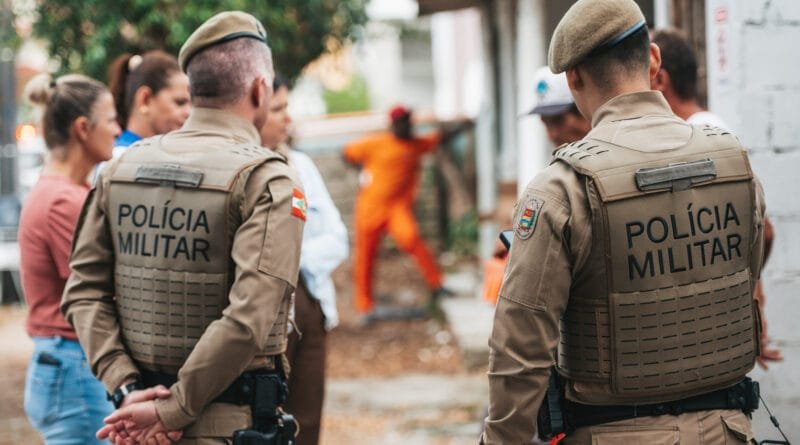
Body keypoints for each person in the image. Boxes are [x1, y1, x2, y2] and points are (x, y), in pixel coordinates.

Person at [482, 1, 766, 443]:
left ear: (573, 78)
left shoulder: (561, 189)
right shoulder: (733, 162)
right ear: (653, 59)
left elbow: (519, 354)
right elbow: (744, 274)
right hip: (728, 430)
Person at [61, 11, 305, 445]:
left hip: (135, 422)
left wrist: (128, 388)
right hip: (226, 427)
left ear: (194, 89)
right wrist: (173, 410)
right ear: (259, 89)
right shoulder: (266, 179)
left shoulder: (120, 170)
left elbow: (83, 292)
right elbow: (249, 319)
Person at [652, 27, 783, 368]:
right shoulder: (709, 129)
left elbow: (762, 230)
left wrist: (748, 291)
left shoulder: (698, 136)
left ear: (660, 79)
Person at [18, 73, 120, 444]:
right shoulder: (65, 201)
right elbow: (103, 289)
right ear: (82, 128)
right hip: (74, 368)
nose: (118, 129)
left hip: (67, 367)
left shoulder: (65, 191)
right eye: (111, 120)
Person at [260, 76, 348, 445]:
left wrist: (291, 259)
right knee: (265, 421)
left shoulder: (302, 166)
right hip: (265, 315)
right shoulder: (244, 170)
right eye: (278, 109)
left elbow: (337, 238)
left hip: (310, 304)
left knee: (307, 423)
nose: (287, 118)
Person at [342, 106, 447, 316]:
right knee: (365, 256)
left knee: (412, 239)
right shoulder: (375, 142)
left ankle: (437, 284)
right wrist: (362, 171)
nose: (406, 126)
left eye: (408, 122)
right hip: (370, 208)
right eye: (401, 122)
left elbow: (440, 137)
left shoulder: (417, 144)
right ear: (392, 125)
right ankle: (365, 305)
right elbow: (346, 153)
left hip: (397, 208)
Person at [108, 50, 191, 148]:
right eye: (180, 103)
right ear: (145, 100)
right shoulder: (118, 157)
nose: (189, 112)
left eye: (192, 105)